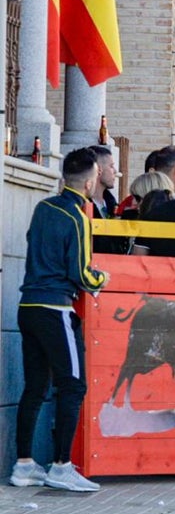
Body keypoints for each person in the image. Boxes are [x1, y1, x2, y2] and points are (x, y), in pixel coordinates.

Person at [10, 148, 107, 492]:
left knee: (35, 387)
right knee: (73, 385)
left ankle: (23, 464)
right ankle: (62, 465)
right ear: (91, 180)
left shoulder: (42, 207)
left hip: (28, 306)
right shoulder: (77, 216)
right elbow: (79, 272)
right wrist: (102, 280)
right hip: (56, 309)